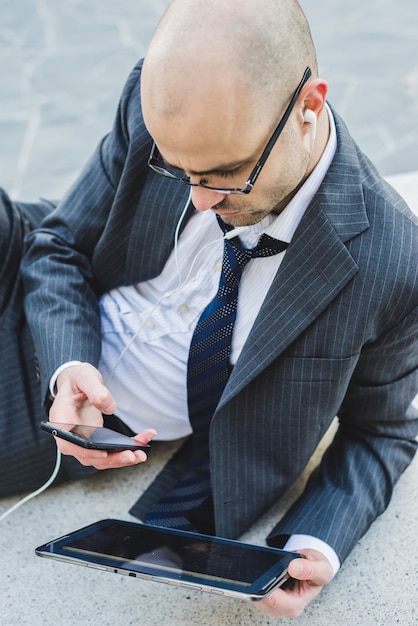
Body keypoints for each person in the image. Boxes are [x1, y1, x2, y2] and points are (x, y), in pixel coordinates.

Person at [1, 0, 416, 618]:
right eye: (177, 168)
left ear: (310, 106)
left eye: (225, 174)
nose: (197, 201)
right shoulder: (160, 99)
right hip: (34, 283)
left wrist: (316, 544)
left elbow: (382, 430)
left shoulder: (391, 261)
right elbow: (57, 243)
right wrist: (69, 365)